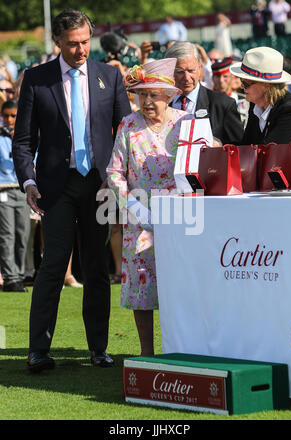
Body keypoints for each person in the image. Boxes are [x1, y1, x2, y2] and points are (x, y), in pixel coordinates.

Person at [12, 9, 131, 373]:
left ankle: (99, 349)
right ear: (57, 42)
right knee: (52, 266)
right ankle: (38, 350)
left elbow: (125, 133)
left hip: (98, 186)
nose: (81, 50)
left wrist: (119, 178)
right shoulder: (36, 79)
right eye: (73, 44)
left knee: (97, 268)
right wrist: (29, 182)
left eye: (85, 42)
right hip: (55, 187)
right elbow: (24, 141)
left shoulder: (109, 76)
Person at [106, 58, 192, 356]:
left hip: (181, 216)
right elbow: (114, 171)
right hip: (139, 220)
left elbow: (198, 166)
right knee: (143, 286)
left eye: (153, 94)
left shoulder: (185, 122)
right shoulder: (128, 125)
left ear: (167, 95)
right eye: (142, 94)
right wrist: (135, 208)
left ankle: (179, 348)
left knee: (179, 285)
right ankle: (147, 352)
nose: (147, 101)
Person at [165, 41, 244, 146]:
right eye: (180, 72)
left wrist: (219, 146)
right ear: (171, 72)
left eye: (191, 70)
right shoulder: (162, 104)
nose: (187, 78)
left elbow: (240, 147)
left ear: (199, 68)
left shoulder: (223, 104)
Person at [230, 46, 291, 144]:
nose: (242, 86)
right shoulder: (256, 103)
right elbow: (247, 145)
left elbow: (270, 152)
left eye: (246, 83)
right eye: (242, 80)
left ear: (267, 85)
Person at [0, 100, 30, 292]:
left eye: (13, 116)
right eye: (6, 116)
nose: (10, 120)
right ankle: (10, 277)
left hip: (24, 191)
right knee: (7, 235)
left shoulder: (27, 134)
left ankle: (19, 275)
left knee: (23, 234)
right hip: (3, 191)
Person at [212, 57, 249, 127]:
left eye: (225, 76)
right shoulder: (207, 101)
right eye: (217, 76)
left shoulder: (244, 100)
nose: (221, 81)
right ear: (212, 78)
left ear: (232, 77)